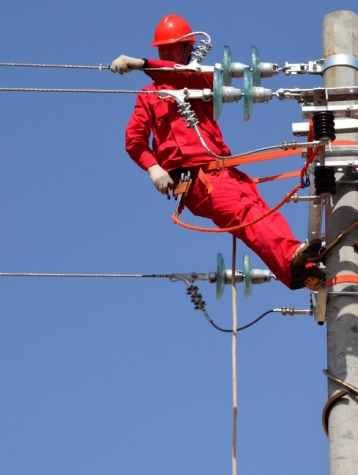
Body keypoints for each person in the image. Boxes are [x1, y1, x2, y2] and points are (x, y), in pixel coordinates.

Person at [110, 14, 323, 290]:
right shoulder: (148, 95)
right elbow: (134, 140)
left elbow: (179, 73)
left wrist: (142, 63)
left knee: (260, 211)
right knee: (246, 214)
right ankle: (293, 261)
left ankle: (301, 270)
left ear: (188, 49)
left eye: (172, 47)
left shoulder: (199, 78)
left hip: (223, 171)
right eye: (162, 48)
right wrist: (153, 167)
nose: (166, 52)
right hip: (196, 180)